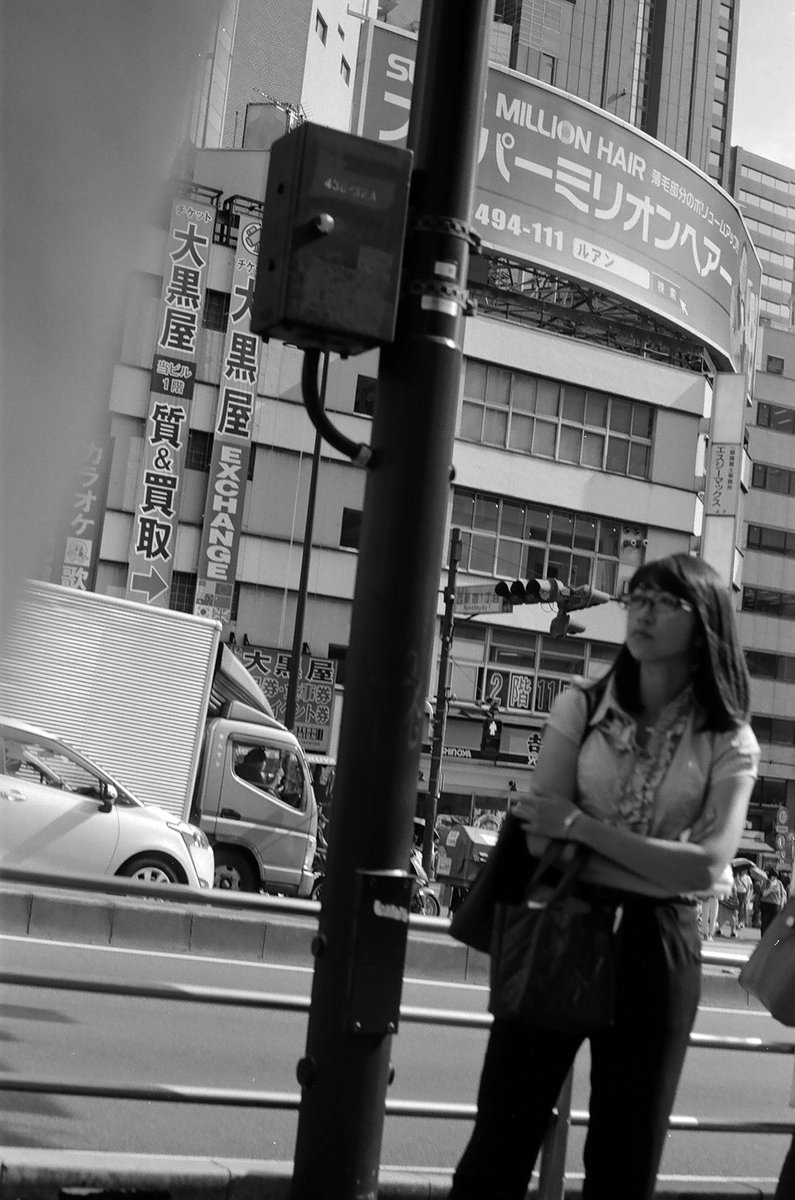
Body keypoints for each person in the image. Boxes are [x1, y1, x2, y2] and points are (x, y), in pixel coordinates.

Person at [447, 553, 759, 1200]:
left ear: (703, 624)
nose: (640, 613)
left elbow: (707, 864)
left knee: (625, 1159)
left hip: (657, 947)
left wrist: (582, 828)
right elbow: (538, 829)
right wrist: (656, 860)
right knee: (500, 1144)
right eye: (635, 598)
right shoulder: (581, 705)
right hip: (562, 920)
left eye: (661, 603)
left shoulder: (727, 739)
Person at [759, 866, 787, 935]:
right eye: (773, 876)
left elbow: (783, 894)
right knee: (764, 923)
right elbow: (764, 894)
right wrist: (770, 889)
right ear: (770, 876)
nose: (774, 878)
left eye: (776, 876)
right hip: (765, 904)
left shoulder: (779, 883)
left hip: (775, 905)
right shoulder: (765, 882)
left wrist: (782, 904)